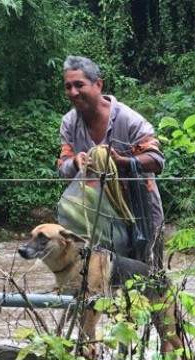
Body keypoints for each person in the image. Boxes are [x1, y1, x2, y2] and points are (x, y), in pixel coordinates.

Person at [57, 55, 166, 266]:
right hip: (95, 215)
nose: (73, 92)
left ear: (98, 84)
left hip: (140, 211)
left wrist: (122, 161)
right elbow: (63, 166)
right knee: (100, 274)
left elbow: (156, 160)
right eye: (68, 86)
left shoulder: (129, 120)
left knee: (149, 272)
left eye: (79, 85)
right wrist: (77, 163)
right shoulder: (69, 124)